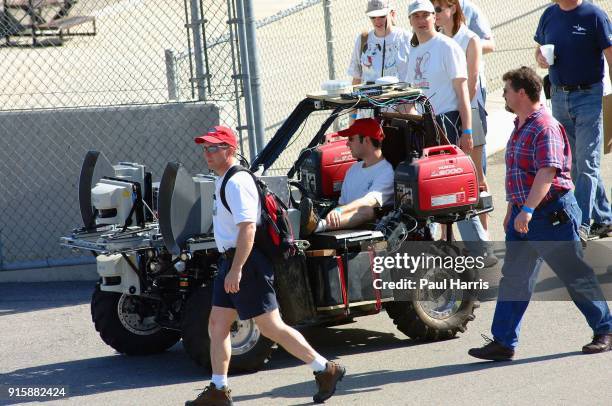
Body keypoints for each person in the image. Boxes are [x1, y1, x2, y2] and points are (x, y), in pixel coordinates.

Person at [185, 126, 346, 405]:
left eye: (213, 148)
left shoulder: (237, 182)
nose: (206, 153)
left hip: (246, 263)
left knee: (271, 326)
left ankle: (325, 368)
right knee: (217, 323)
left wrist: (236, 269)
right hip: (232, 261)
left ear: (230, 150)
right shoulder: (223, 179)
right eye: (205, 148)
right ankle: (218, 390)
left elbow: (248, 229)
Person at [468, 67, 612, 361]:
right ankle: (503, 342)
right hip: (526, 215)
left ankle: (605, 329)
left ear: (521, 93)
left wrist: (528, 210)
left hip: (551, 214)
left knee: (573, 275)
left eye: (507, 90)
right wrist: (513, 209)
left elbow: (547, 172)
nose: (504, 95)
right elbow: (518, 174)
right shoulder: (520, 125)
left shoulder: (545, 126)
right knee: (515, 278)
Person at [403, 0, 496, 265]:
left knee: (457, 191)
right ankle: (448, 253)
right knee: (436, 195)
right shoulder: (415, 52)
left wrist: (467, 130)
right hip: (426, 126)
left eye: (426, 15)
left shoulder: (448, 47)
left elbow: (462, 93)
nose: (421, 20)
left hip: (450, 124)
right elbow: (412, 96)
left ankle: (483, 255)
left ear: (435, 17)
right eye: (416, 16)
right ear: (410, 21)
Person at [534, 0, 612, 242]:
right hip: (558, 95)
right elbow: (538, 50)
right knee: (574, 161)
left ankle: (580, 223)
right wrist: (540, 59)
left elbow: (610, 55)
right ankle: (605, 217)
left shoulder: (594, 15)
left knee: (587, 161)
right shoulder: (549, 14)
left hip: (589, 95)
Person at [433, 0, 489, 210]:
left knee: (476, 177)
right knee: (448, 180)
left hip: (469, 113)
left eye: (438, 9)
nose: (434, 14)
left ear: (453, 8)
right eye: (432, 10)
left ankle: (482, 236)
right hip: (445, 116)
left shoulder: (469, 39)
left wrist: (461, 118)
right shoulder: (435, 40)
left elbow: (471, 84)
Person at [300, 118, 394, 235]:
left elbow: (369, 201)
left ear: (366, 140)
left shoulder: (386, 171)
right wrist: (338, 210)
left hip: (371, 229)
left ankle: (318, 225)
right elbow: (342, 203)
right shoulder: (353, 169)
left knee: (367, 210)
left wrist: (340, 210)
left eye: (351, 139)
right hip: (346, 227)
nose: (347, 143)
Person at [347, 0, 411, 123]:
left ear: (392, 14)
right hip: (368, 115)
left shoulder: (406, 38)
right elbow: (356, 79)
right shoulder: (363, 40)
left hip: (400, 115)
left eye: (382, 16)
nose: (377, 21)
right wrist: (353, 117)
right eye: (373, 17)